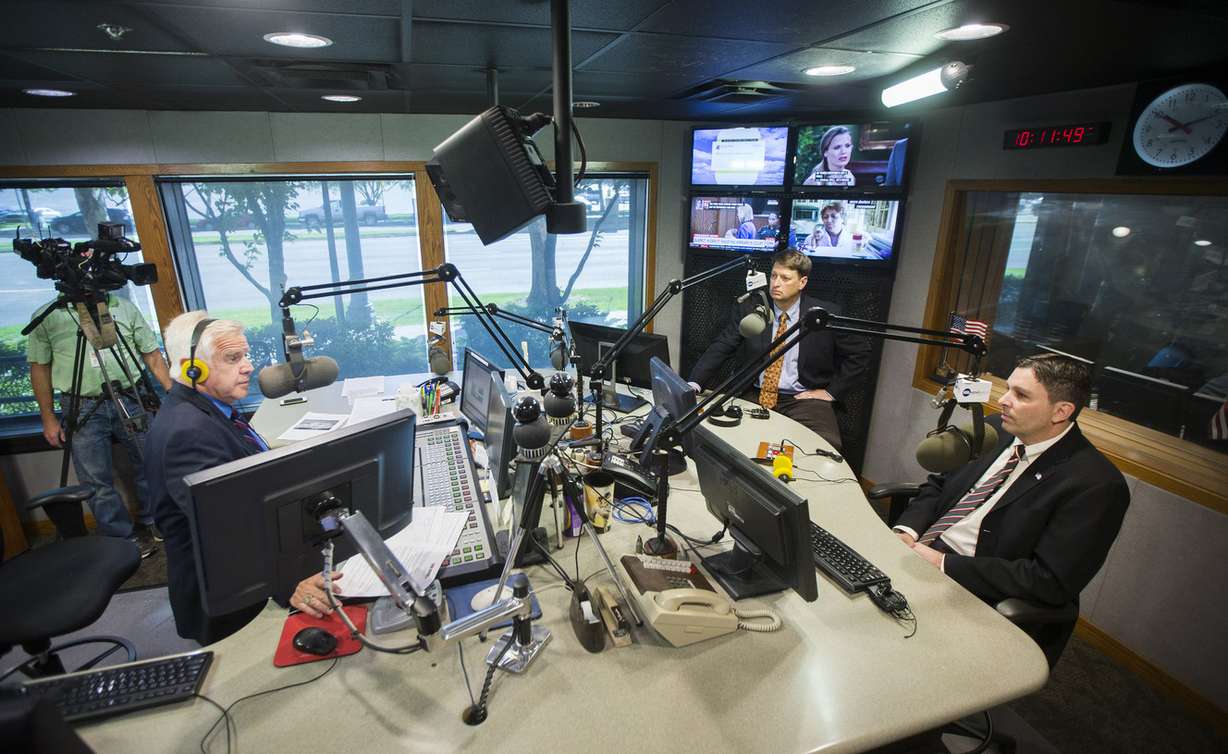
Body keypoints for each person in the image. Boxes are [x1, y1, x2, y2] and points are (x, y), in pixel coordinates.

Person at [893, 354, 1130, 666]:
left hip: (973, 586)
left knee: (891, 650)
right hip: (920, 553)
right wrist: (906, 531)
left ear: (1061, 411)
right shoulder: (993, 429)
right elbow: (939, 484)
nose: (1003, 400)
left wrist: (942, 563)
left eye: (1021, 395)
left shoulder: (1096, 485)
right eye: (1008, 389)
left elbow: (1049, 581)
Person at [145, 311, 339, 644]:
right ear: (194, 368)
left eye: (245, 355)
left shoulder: (208, 410)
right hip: (231, 599)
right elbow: (227, 535)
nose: (248, 366)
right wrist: (291, 583)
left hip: (252, 561)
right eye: (233, 358)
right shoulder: (188, 433)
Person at [27, 292, 173, 557]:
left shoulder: (124, 308)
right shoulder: (49, 317)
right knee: (95, 479)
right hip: (81, 404)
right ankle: (120, 539)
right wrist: (47, 417)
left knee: (152, 461)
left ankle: (159, 520)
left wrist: (173, 397)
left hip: (132, 396)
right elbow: (40, 367)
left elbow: (152, 355)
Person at [688, 249, 870, 450]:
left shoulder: (823, 315)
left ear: (802, 282)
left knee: (826, 446)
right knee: (725, 438)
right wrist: (694, 383)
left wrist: (831, 392)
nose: (776, 283)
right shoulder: (751, 309)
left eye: (785, 278)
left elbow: (860, 354)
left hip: (802, 399)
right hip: (754, 393)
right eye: (774, 276)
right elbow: (722, 346)